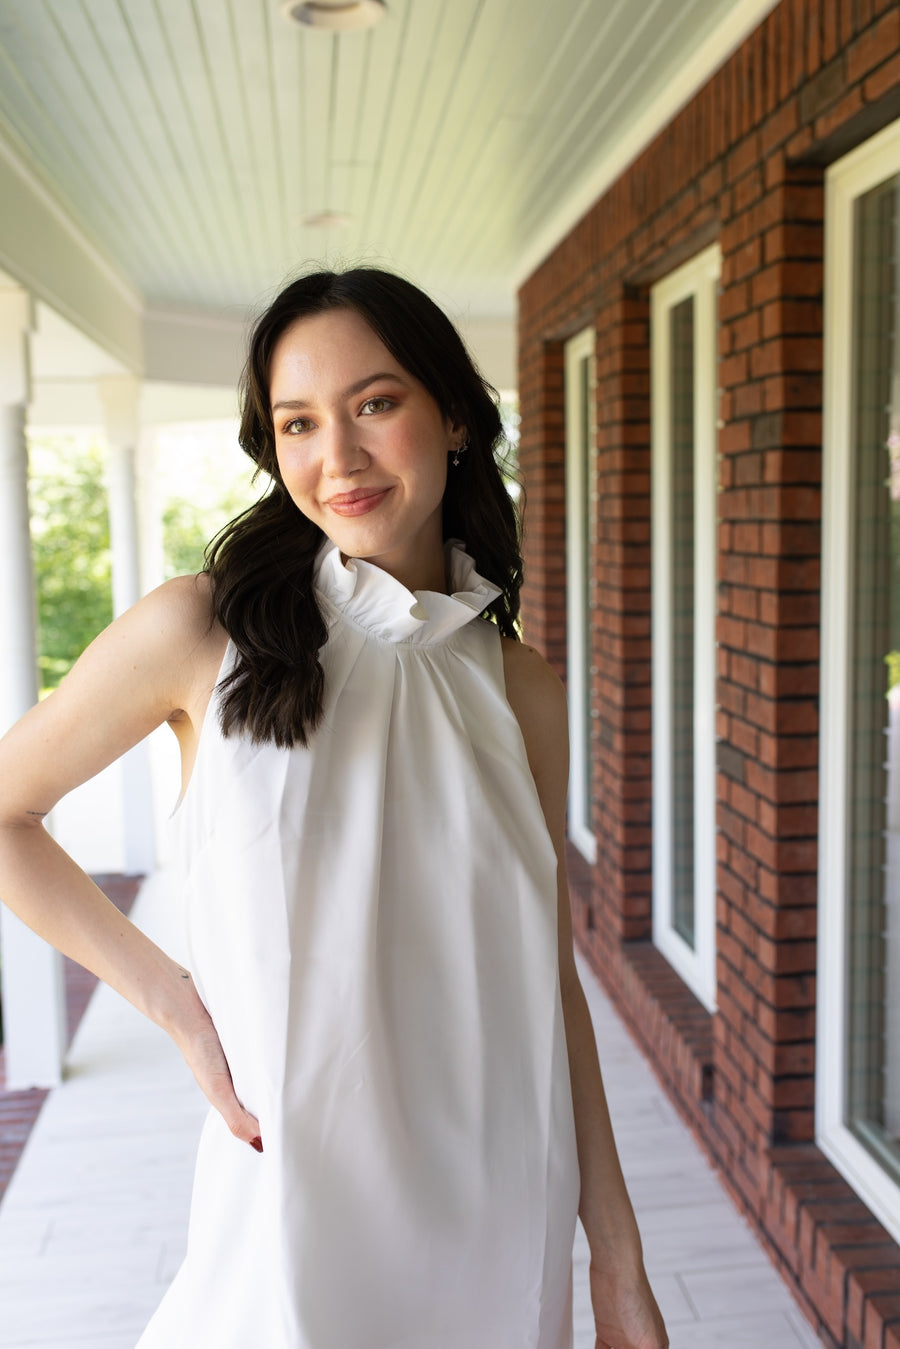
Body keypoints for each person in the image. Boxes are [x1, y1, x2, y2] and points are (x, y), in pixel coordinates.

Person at [0, 267, 667, 1349]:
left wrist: (619, 1257)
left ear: (452, 415)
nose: (338, 457)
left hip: (502, 1211)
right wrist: (173, 1001)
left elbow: (549, 979)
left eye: (376, 402)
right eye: (298, 422)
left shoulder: (523, 687)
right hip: (292, 1213)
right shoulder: (200, 633)